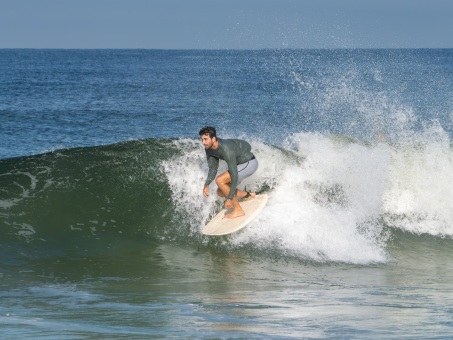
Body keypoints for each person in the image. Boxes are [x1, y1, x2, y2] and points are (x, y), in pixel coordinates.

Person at [199, 126, 258, 219]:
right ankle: (248, 195)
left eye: (206, 139)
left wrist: (230, 198)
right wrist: (207, 184)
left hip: (249, 163)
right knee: (220, 192)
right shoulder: (208, 149)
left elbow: (234, 175)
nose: (203, 142)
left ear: (213, 138)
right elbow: (213, 168)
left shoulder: (226, 149)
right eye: (202, 139)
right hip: (239, 165)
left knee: (220, 180)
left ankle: (238, 210)